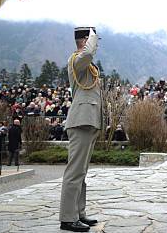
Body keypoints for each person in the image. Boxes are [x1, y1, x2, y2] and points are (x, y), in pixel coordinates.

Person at [59, 27, 102, 232]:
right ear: (85, 40)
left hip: (88, 121)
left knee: (81, 172)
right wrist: (92, 39)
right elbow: (89, 53)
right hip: (80, 121)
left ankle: (78, 213)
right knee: (74, 172)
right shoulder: (77, 60)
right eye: (94, 40)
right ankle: (67, 218)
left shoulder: (87, 65)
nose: (97, 44)